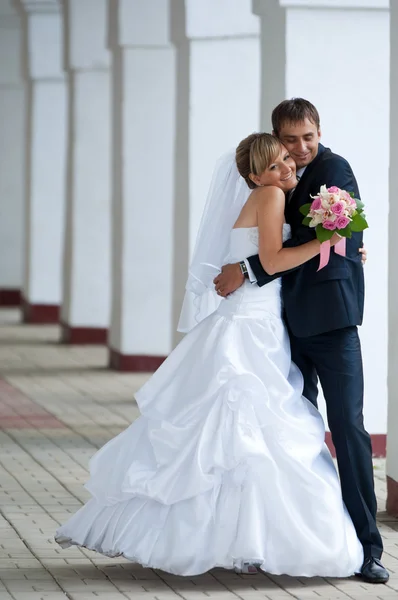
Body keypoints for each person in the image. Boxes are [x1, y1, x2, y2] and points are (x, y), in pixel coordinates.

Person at [55, 133, 364, 578]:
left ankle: (221, 538)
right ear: (255, 175)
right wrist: (327, 238)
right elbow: (273, 262)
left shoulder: (265, 196)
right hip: (252, 325)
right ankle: (241, 540)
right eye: (276, 164)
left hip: (252, 317)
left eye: (285, 161)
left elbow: (260, 260)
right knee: (247, 432)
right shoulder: (272, 196)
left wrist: (345, 246)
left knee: (239, 436)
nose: (286, 170)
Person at [214, 99, 388, 584]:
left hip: (332, 323)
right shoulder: (274, 177)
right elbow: (281, 239)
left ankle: (368, 548)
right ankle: (301, 539)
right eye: (290, 140)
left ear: (318, 132)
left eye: (308, 137)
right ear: (276, 138)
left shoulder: (335, 168)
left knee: (348, 428)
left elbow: (340, 238)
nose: (300, 149)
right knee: (295, 433)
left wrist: (247, 268)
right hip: (280, 326)